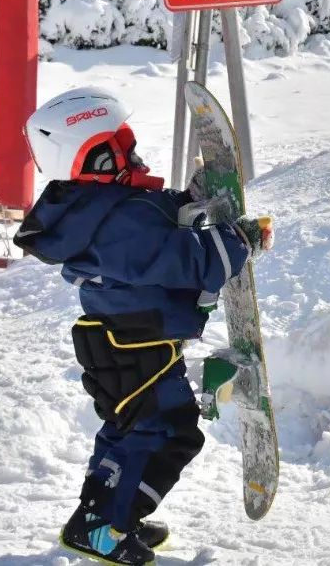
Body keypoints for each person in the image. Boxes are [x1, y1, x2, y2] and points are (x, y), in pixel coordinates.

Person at [14, 87, 272, 566]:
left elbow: (150, 223)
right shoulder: (116, 221)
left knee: (130, 432)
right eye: (123, 150)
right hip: (136, 347)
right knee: (166, 434)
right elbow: (183, 259)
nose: (135, 156)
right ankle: (108, 525)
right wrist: (236, 241)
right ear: (96, 160)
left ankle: (103, 519)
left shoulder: (96, 210)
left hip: (126, 343)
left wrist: (188, 201)